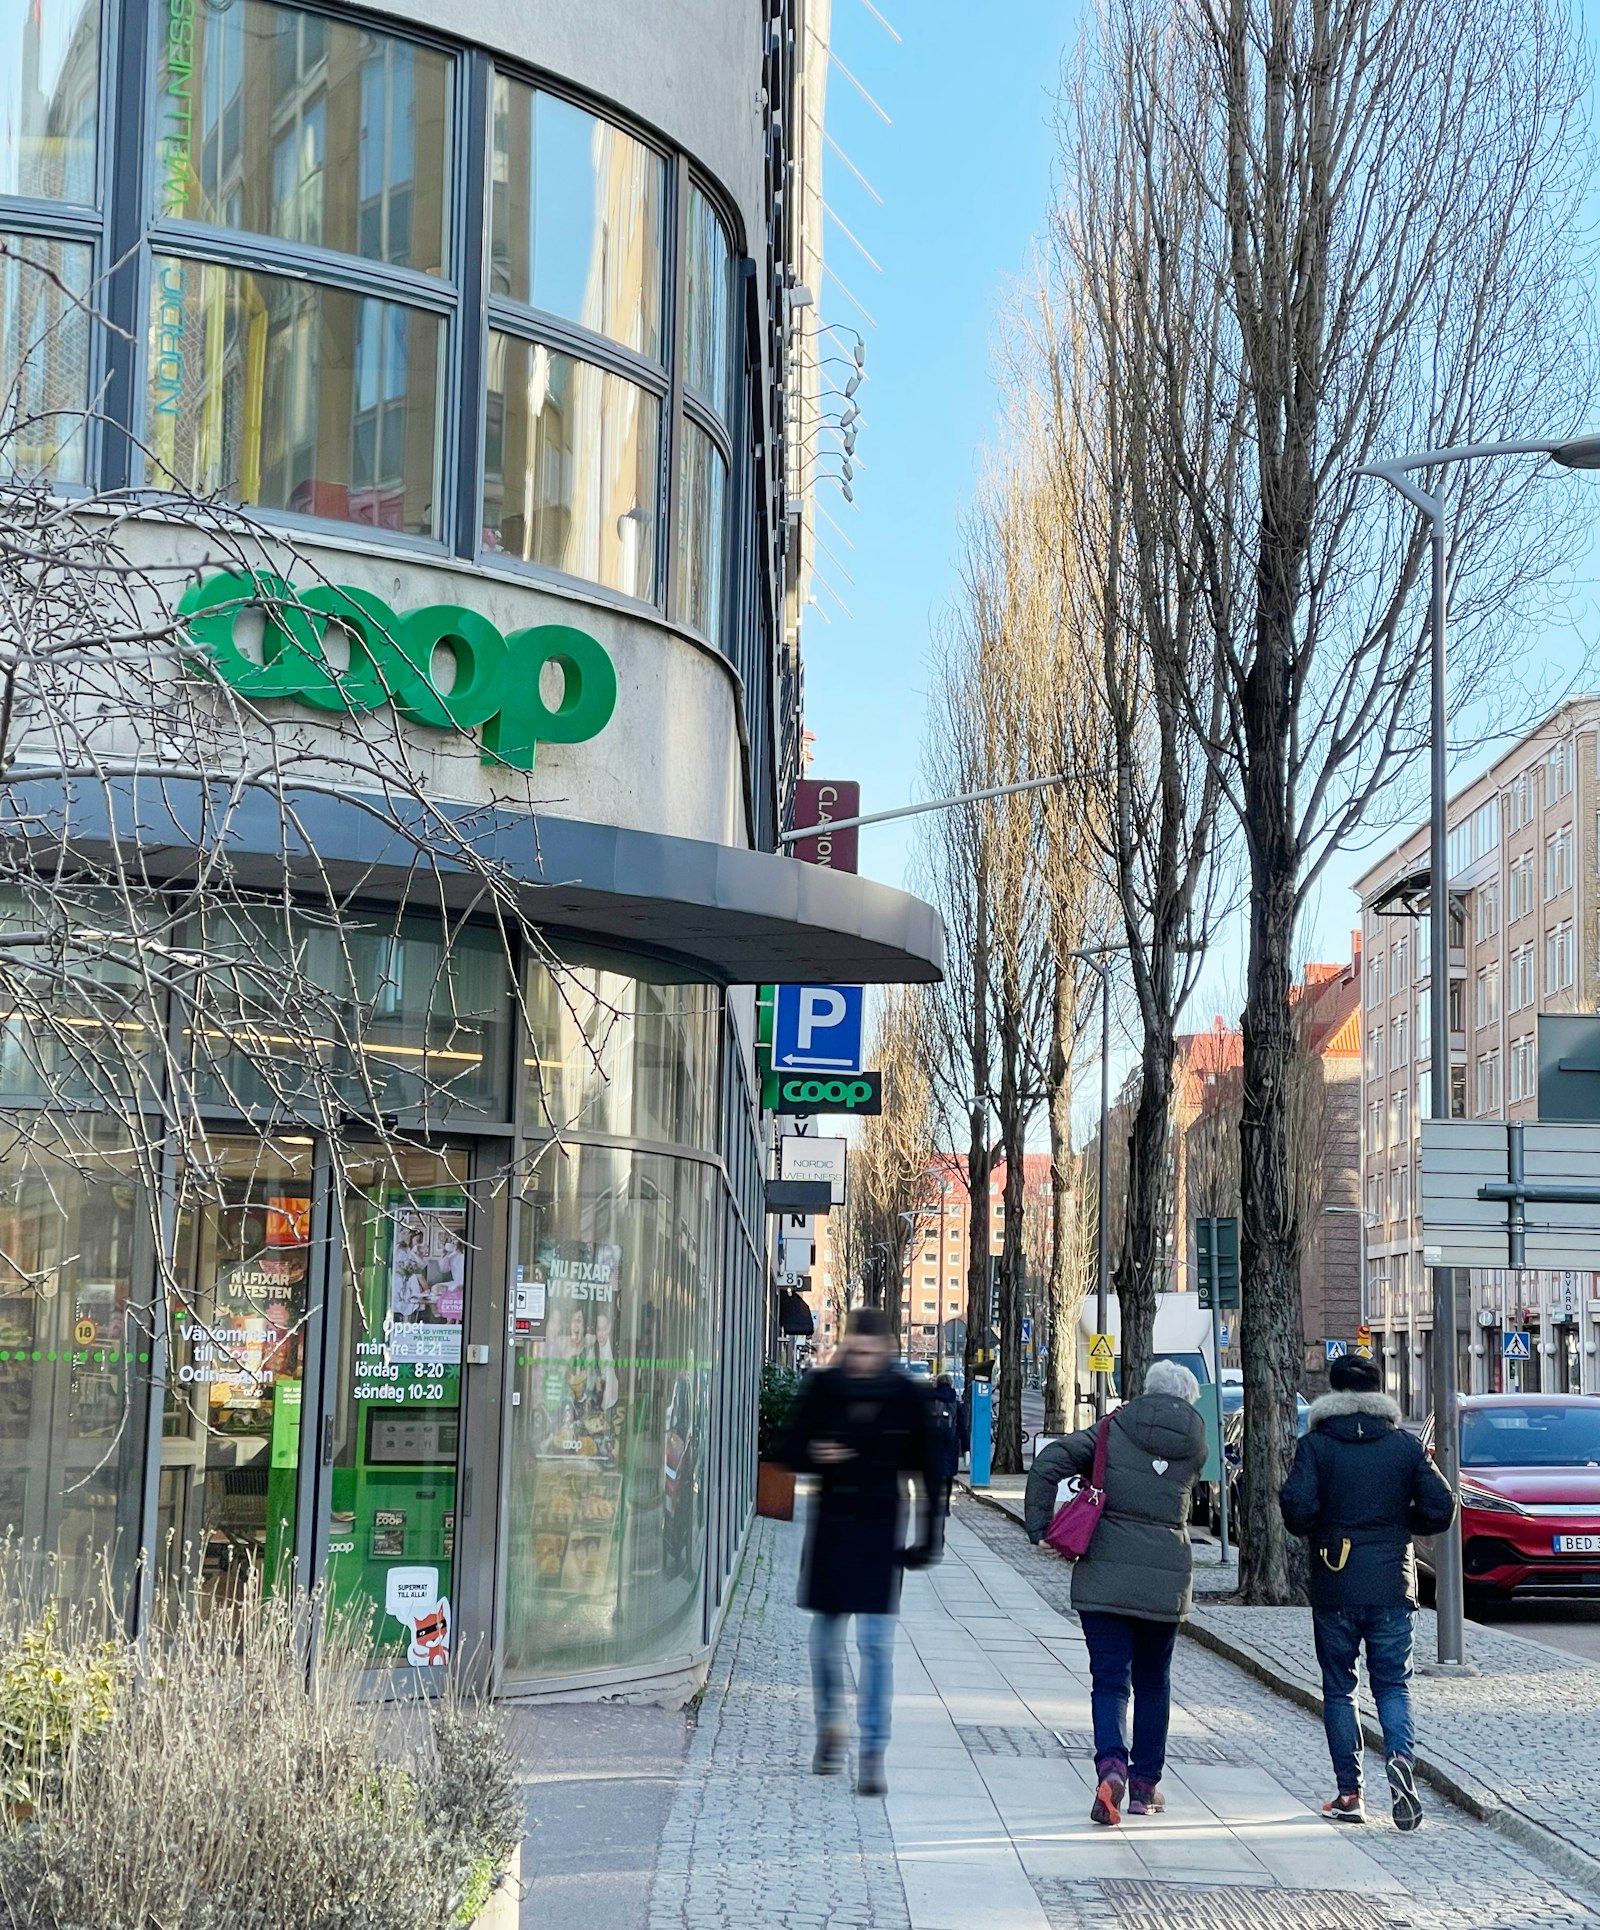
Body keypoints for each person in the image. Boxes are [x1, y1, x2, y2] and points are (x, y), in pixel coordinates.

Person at [1023, 1357, 1208, 1827]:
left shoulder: (1112, 1429)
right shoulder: (1197, 1442)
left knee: (1109, 1682)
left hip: (1103, 1576)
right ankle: (1145, 1787)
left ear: (1146, 1391)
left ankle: (1111, 1768)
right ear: (1189, 1399)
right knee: (1154, 1682)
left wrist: (1040, 1527)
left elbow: (1048, 1462)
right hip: (1166, 1579)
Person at [1279, 1351, 1455, 1829]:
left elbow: (1296, 1509)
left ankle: (1350, 1794)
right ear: (1378, 1392)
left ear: (1334, 1392)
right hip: (1393, 1582)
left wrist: (1324, 1526)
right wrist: (1401, 1523)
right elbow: (1441, 1507)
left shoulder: (1315, 1445)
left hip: (1335, 1580)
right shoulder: (1403, 1445)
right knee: (1393, 1685)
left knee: (1340, 1689)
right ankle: (1399, 1759)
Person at [778, 1305, 943, 1797]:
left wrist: (928, 1536)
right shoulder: (824, 1387)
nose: (865, 1360)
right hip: (832, 1530)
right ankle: (831, 1724)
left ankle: (872, 1752)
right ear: (848, 1346)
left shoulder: (904, 1396)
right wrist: (816, 1453)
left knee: (875, 1646)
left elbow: (929, 1470)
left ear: (886, 1350)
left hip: (879, 1533)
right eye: (858, 1351)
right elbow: (786, 1447)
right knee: (825, 1642)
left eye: (873, 1353)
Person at [928, 1373, 966, 1515]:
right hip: (951, 1443)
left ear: (937, 1383)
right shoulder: (956, 1403)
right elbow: (962, 1428)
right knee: (948, 1475)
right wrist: (966, 1448)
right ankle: (945, 1507)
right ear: (950, 1384)